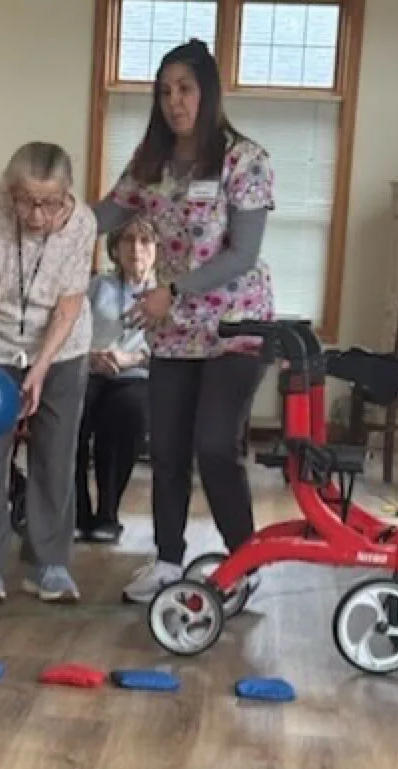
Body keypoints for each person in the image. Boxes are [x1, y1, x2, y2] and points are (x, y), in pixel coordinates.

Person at [94, 37, 275, 604]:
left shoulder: (244, 159)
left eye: (186, 88)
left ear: (208, 92)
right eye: (165, 90)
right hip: (172, 327)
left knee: (215, 445)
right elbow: (102, 215)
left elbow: (242, 253)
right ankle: (169, 561)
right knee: (168, 451)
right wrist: (50, 211)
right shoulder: (149, 164)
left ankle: (245, 563)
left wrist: (172, 290)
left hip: (235, 325)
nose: (174, 101)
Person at [0, 141, 97, 603]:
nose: (36, 214)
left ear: (66, 194)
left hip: (62, 347)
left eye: (49, 203)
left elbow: (70, 305)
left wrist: (42, 366)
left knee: (56, 454)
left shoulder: (83, 224)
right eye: (26, 200)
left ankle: (48, 564)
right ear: (9, 190)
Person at [75, 214, 156, 542]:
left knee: (126, 414)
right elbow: (73, 331)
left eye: (145, 241)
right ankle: (77, 513)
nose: (136, 249)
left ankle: (108, 513)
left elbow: (171, 348)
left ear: (158, 249)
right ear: (115, 249)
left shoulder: (166, 293)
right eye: (127, 240)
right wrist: (92, 355)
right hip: (91, 370)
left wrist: (132, 357)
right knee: (71, 414)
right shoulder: (97, 287)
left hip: (138, 373)